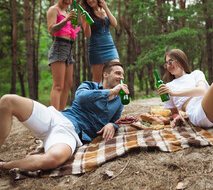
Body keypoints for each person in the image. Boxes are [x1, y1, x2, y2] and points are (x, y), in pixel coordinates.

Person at [0, 62, 129, 171]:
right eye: (118, 73)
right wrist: (111, 92)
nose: (121, 77)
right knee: (8, 101)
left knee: (52, 159)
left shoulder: (119, 101)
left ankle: (4, 165)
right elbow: (80, 97)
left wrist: (111, 124)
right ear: (105, 75)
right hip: (55, 117)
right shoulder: (89, 86)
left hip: (70, 134)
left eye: (122, 74)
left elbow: (115, 120)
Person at [47, 0, 81, 111]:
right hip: (59, 47)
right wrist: (66, 20)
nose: (67, 1)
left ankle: (61, 113)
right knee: (58, 86)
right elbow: (51, 30)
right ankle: (54, 115)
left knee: (68, 84)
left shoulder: (67, 12)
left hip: (69, 48)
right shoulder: (53, 10)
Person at [81, 0, 120, 83]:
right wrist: (87, 22)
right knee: (98, 80)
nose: (90, 0)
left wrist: (106, 7)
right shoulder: (86, 14)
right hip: (96, 48)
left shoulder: (104, 10)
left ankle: (118, 97)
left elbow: (114, 24)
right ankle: (101, 97)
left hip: (109, 46)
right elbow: (87, 34)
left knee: (117, 72)